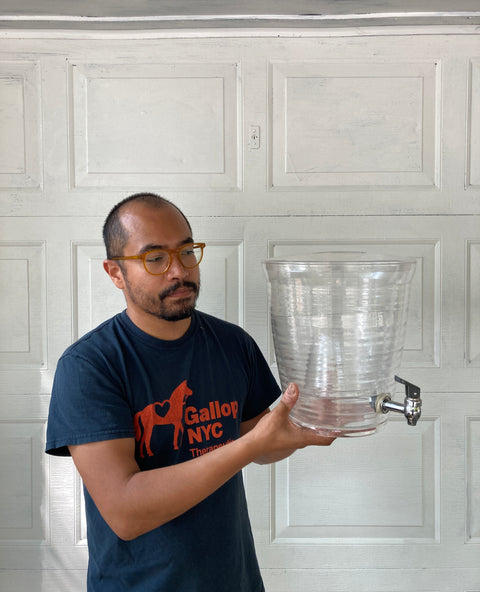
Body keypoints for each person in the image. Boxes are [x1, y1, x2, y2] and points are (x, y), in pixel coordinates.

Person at [46, 192, 335, 592]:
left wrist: (302, 428)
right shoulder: (89, 367)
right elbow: (125, 513)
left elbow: (263, 442)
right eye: (155, 258)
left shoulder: (232, 344)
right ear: (115, 273)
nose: (178, 271)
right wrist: (250, 446)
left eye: (186, 252)